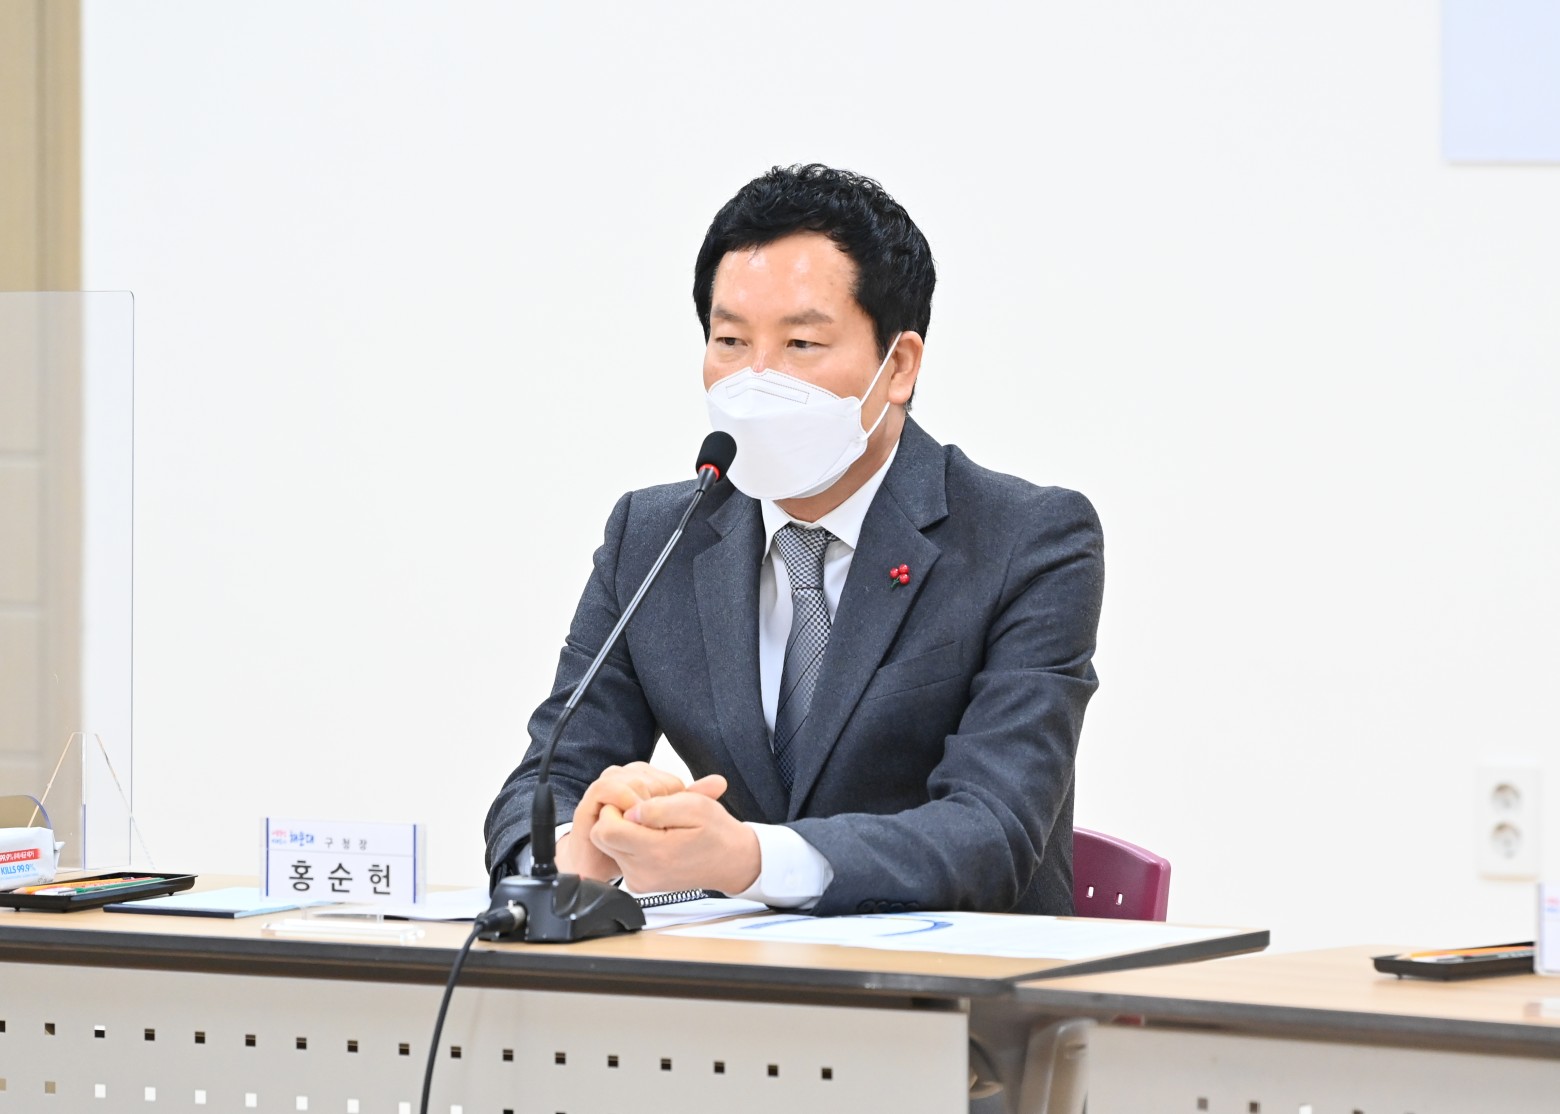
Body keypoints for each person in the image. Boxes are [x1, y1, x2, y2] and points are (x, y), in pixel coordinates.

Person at [484, 164, 1103, 916]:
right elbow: (544, 779)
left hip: (960, 978)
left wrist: (751, 858)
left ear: (899, 366)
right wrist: (574, 850)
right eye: (730, 341)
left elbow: (992, 833)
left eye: (801, 343)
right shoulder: (652, 537)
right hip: (731, 978)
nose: (756, 380)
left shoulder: (1026, 540)